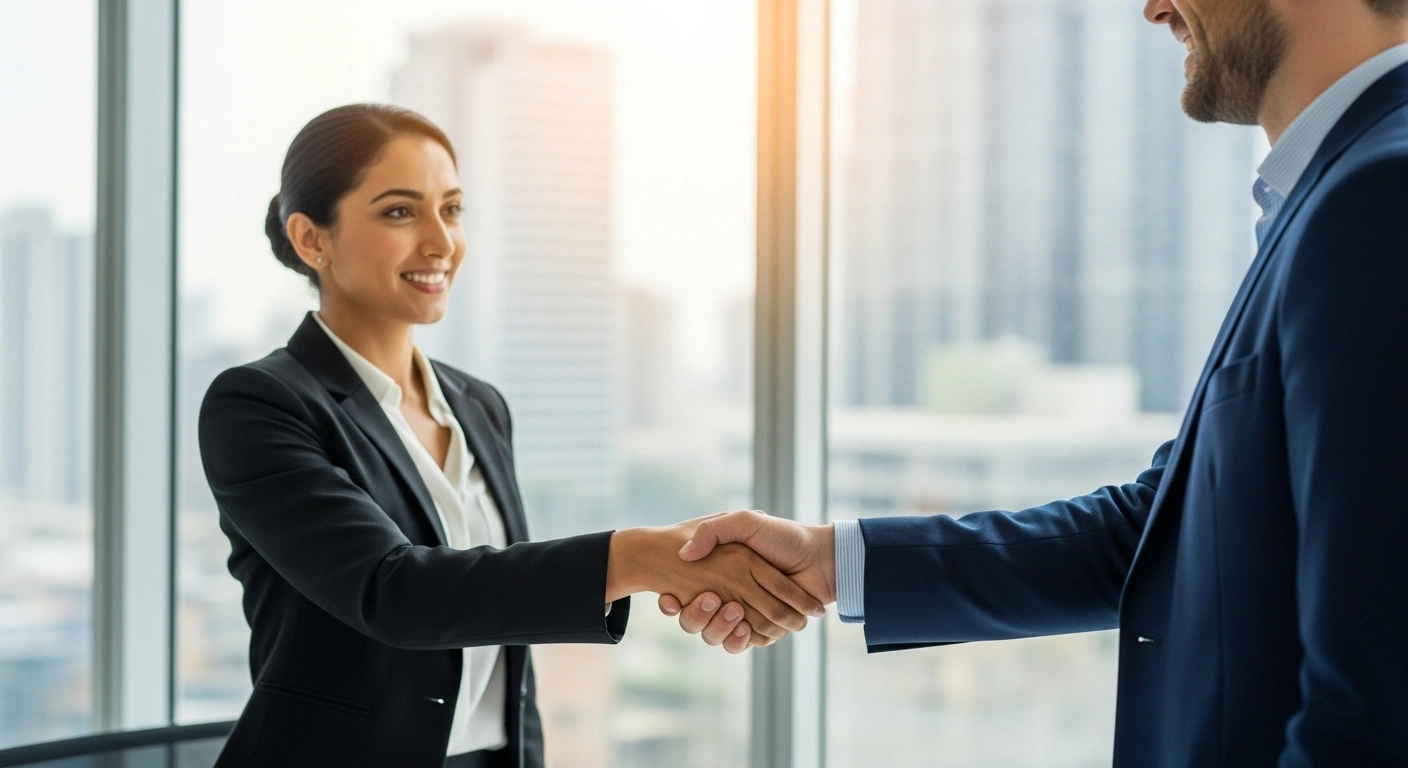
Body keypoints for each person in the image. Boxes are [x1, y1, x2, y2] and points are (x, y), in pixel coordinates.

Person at [662, 0, 1408, 764]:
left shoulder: (1378, 198)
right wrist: (832, 562)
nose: (1153, 9)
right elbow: (1162, 532)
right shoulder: (1334, 195)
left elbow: (1376, 707)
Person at [197, 104, 824, 768]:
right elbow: (396, 593)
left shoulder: (478, 405)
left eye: (453, 209)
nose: (441, 242)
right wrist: (641, 557)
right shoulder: (260, 405)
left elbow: (500, 619)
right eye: (400, 212)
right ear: (311, 238)